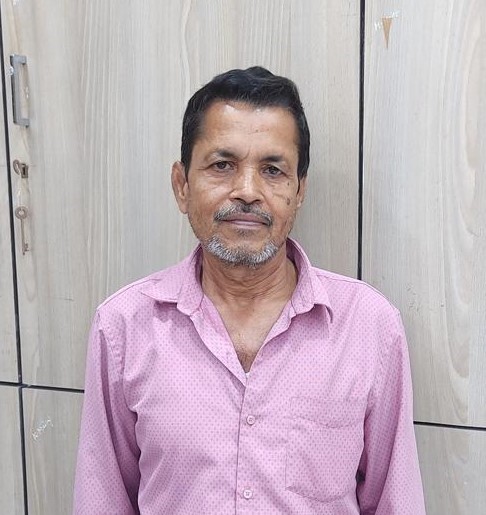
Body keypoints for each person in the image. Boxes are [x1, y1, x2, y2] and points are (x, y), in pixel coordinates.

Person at [73, 66, 426, 514]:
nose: (247, 191)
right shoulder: (124, 327)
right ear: (182, 186)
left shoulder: (368, 326)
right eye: (222, 165)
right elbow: (102, 500)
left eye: (273, 170)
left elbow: (396, 501)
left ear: (299, 191)